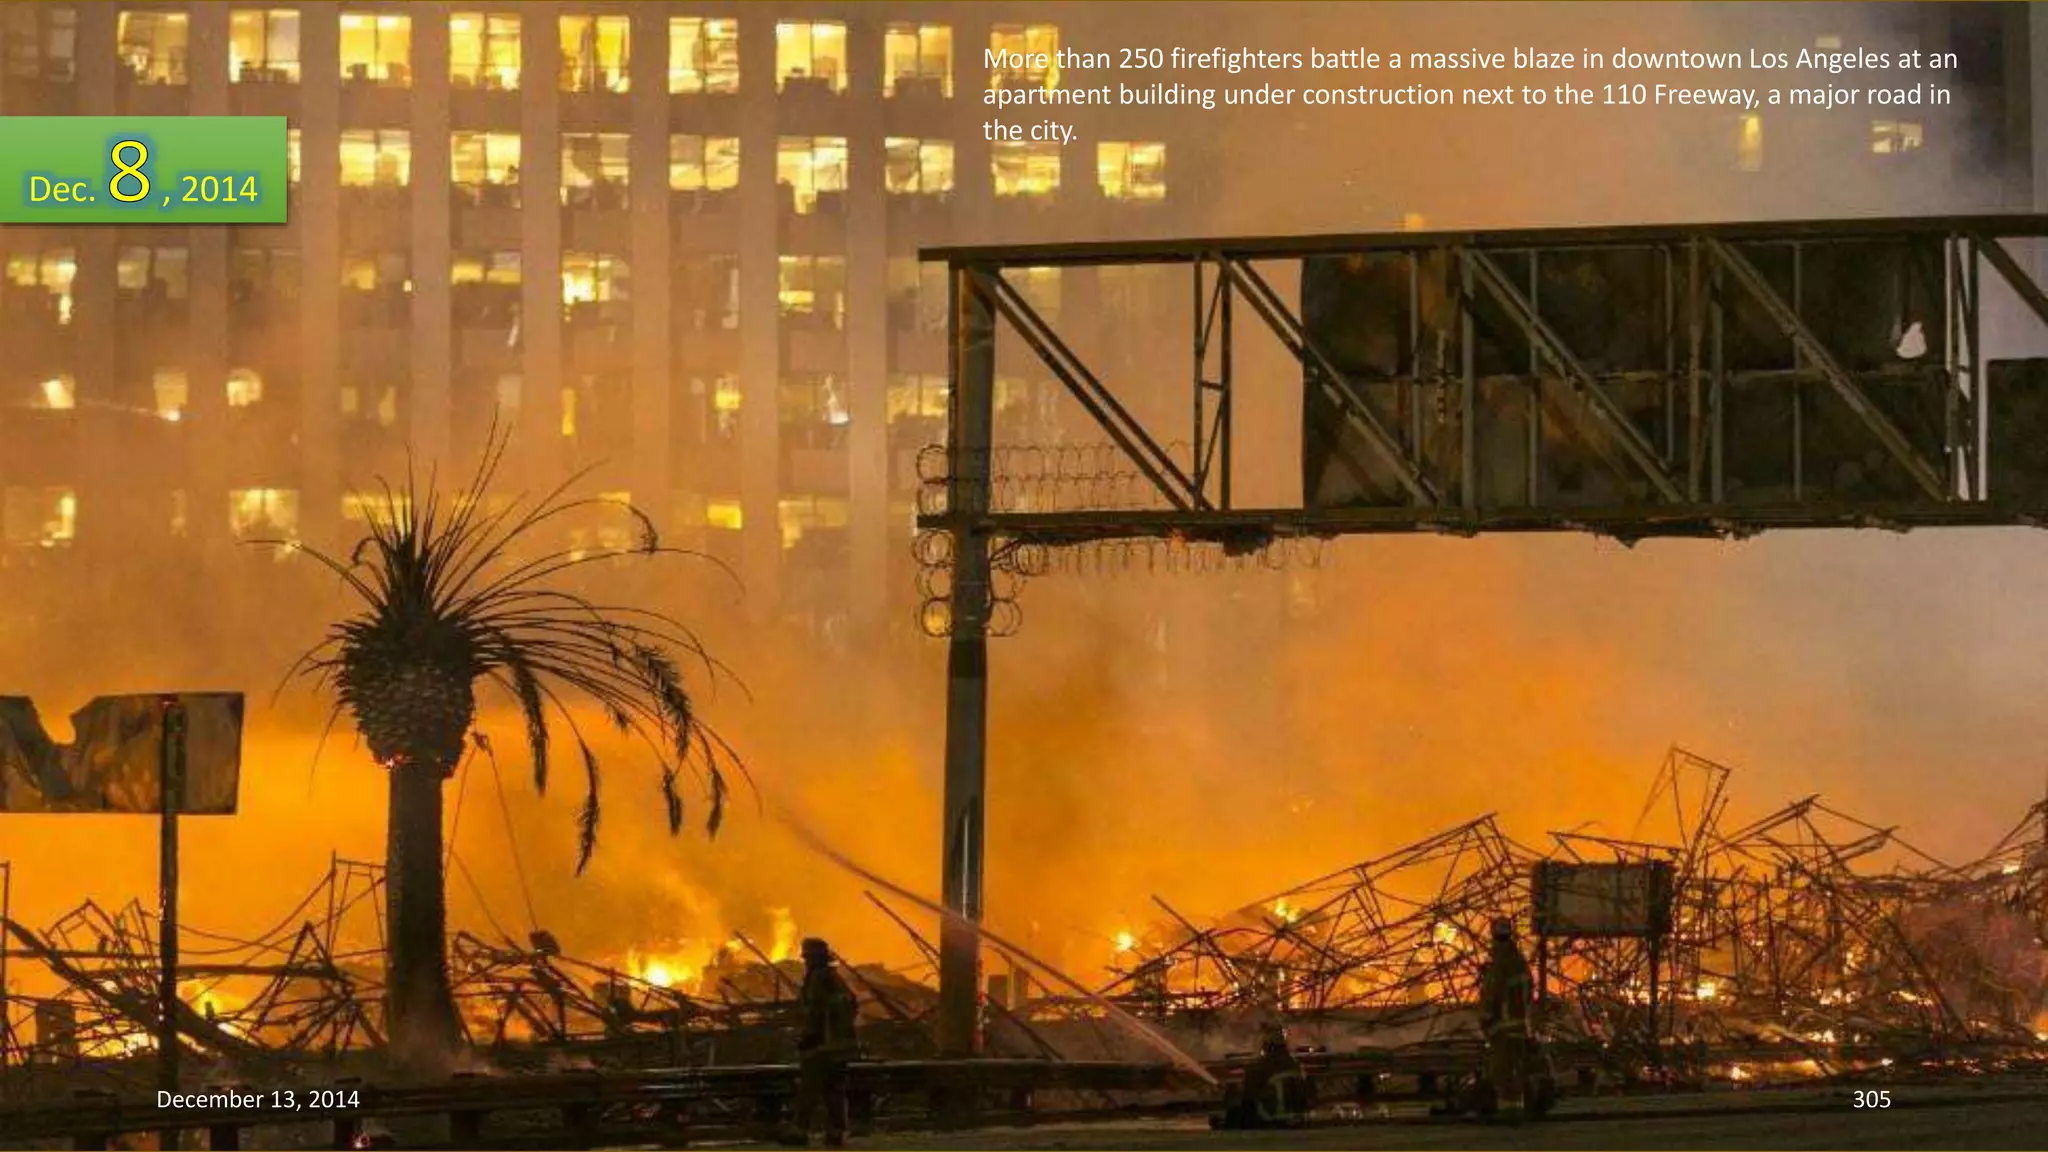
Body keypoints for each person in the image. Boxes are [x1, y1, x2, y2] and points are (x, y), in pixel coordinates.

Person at [783, 937, 859, 1148]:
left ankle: (799, 1132)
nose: (806, 962)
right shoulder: (835, 978)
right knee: (835, 1090)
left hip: (822, 1047)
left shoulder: (817, 978)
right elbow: (853, 1004)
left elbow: (814, 1013)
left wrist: (806, 1038)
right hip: (842, 1047)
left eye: (807, 957)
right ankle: (836, 1133)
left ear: (813, 958)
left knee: (809, 1089)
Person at [1477, 916, 1534, 1122]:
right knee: (1515, 1071)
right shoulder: (1520, 962)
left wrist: (1485, 1021)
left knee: (1501, 1072)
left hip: (1502, 1028)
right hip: (1520, 1027)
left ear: (1493, 936)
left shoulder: (1499, 965)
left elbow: (1492, 997)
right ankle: (1517, 1111)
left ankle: (1508, 1114)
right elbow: (1526, 994)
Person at [1214, 1023, 1311, 1129]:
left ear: (1265, 1046)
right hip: (1292, 1116)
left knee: (1234, 1110)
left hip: (1265, 1117)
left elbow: (1248, 1097)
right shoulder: (1294, 1066)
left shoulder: (1257, 1068)